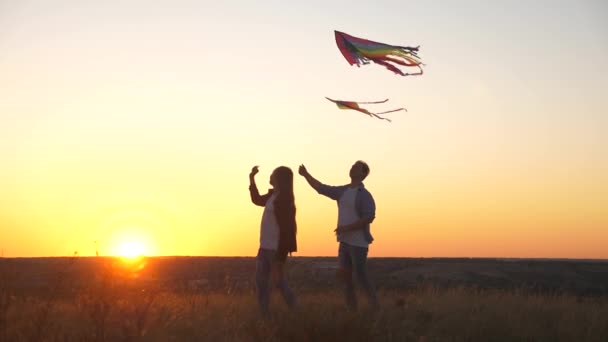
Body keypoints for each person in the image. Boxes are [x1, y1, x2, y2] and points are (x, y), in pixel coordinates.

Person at [298, 161, 378, 310]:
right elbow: (321, 188)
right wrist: (306, 175)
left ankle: (375, 307)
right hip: (344, 243)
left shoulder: (365, 195)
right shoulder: (343, 191)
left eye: (356, 167)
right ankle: (352, 311)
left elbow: (369, 217)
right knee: (346, 278)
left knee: (361, 277)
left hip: (358, 244)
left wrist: (347, 228)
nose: (352, 168)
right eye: (352, 165)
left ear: (363, 174)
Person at [249, 165, 297, 315]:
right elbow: (256, 200)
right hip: (264, 248)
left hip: (275, 250)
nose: (269, 176)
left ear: (279, 179)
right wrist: (251, 179)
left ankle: (297, 311)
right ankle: (264, 316)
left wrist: (280, 258)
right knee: (261, 283)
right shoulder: (272, 196)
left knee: (280, 283)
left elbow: (287, 229)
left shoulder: (284, 200)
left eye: (272, 174)